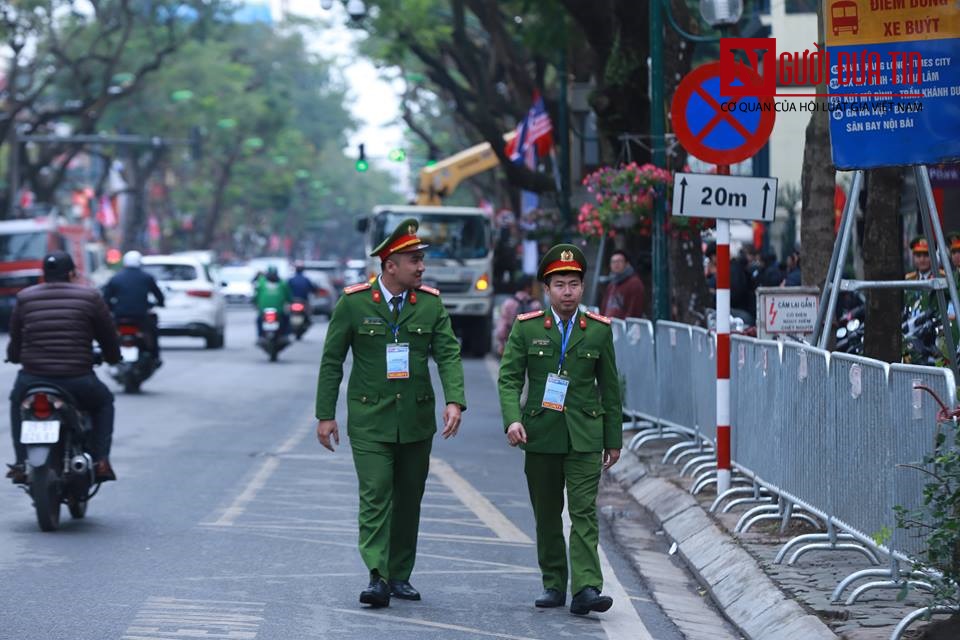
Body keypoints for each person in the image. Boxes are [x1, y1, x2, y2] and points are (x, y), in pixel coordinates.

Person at [314, 218, 466, 608]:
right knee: (377, 492)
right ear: (389, 264)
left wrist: (454, 400)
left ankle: (400, 575)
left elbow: (447, 352)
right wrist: (325, 414)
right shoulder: (354, 303)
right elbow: (332, 360)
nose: (421, 266)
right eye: (413, 259)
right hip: (370, 420)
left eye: (421, 259)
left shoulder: (430, 304)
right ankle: (377, 575)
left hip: (415, 420)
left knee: (409, 498)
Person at [497, 243, 622, 616]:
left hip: (585, 434)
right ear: (547, 289)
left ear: (583, 288)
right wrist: (512, 419)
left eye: (574, 284)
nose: (567, 291)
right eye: (560, 284)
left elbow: (611, 389)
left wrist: (613, 439)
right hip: (540, 434)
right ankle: (554, 581)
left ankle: (586, 587)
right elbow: (508, 379)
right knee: (548, 513)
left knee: (583, 511)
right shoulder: (527, 328)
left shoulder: (598, 331)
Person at [6, 251, 122, 484]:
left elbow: (16, 339)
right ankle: (100, 461)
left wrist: (15, 357)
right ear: (72, 273)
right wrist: (112, 357)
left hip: (32, 379)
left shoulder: (25, 297)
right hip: (77, 379)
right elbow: (108, 336)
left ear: (44, 274)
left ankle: (20, 463)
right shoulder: (90, 296)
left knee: (17, 404)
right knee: (104, 402)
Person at [102, 250, 166, 362]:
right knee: (153, 333)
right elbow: (158, 295)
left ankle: (107, 356)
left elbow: (106, 298)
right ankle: (155, 357)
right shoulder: (147, 277)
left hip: (119, 315)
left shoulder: (116, 278)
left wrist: (112, 308)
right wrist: (160, 303)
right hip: (141, 316)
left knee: (109, 335)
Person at [495, 275, 543, 356]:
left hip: (512, 345)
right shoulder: (536, 305)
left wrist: (501, 344)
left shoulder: (509, 303)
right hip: (531, 347)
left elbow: (502, 328)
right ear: (528, 287)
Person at [600, 250, 646, 319]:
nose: (616, 264)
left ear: (627, 264)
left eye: (619, 261)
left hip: (622, 328)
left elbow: (634, 313)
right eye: (613, 262)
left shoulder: (635, 284)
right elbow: (604, 308)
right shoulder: (612, 284)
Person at [253, 266, 293, 338]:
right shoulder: (282, 283)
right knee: (286, 318)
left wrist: (255, 303)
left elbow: (256, 296)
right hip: (278, 310)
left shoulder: (261, 282)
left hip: (265, 310)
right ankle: (285, 335)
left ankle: (260, 335)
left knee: (259, 320)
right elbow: (288, 297)